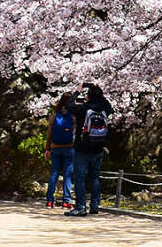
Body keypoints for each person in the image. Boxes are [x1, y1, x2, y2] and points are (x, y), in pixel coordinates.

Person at [66, 85, 112, 216]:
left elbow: (69, 105)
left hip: (82, 149)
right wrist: (98, 94)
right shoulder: (105, 108)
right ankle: (94, 206)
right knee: (95, 178)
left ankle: (80, 207)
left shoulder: (84, 109)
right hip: (98, 148)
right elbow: (108, 105)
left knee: (80, 178)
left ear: (88, 96)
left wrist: (76, 92)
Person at [44, 91, 77, 210]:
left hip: (55, 147)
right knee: (68, 175)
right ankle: (66, 201)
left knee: (54, 174)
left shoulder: (54, 116)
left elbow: (49, 134)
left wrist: (47, 149)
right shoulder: (74, 116)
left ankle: (49, 201)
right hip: (69, 147)